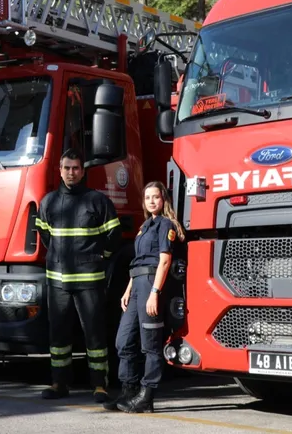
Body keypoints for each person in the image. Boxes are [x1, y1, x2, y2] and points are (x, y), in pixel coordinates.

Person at [37, 149, 121, 402]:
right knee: (58, 336)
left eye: (75, 168)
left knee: (94, 333)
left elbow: (113, 236)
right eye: (67, 168)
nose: (71, 172)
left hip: (89, 281)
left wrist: (100, 258)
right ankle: (58, 384)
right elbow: (45, 237)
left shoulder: (97, 201)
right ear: (59, 171)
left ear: (82, 172)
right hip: (58, 282)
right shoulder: (48, 202)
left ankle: (99, 386)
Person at [107, 181, 183, 413]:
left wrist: (155, 293)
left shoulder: (165, 224)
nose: (151, 201)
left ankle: (146, 396)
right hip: (137, 283)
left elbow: (164, 261)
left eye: (156, 197)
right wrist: (128, 289)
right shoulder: (144, 226)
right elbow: (138, 260)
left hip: (151, 284)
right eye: (148, 197)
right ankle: (129, 391)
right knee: (123, 341)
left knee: (150, 346)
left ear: (164, 200)